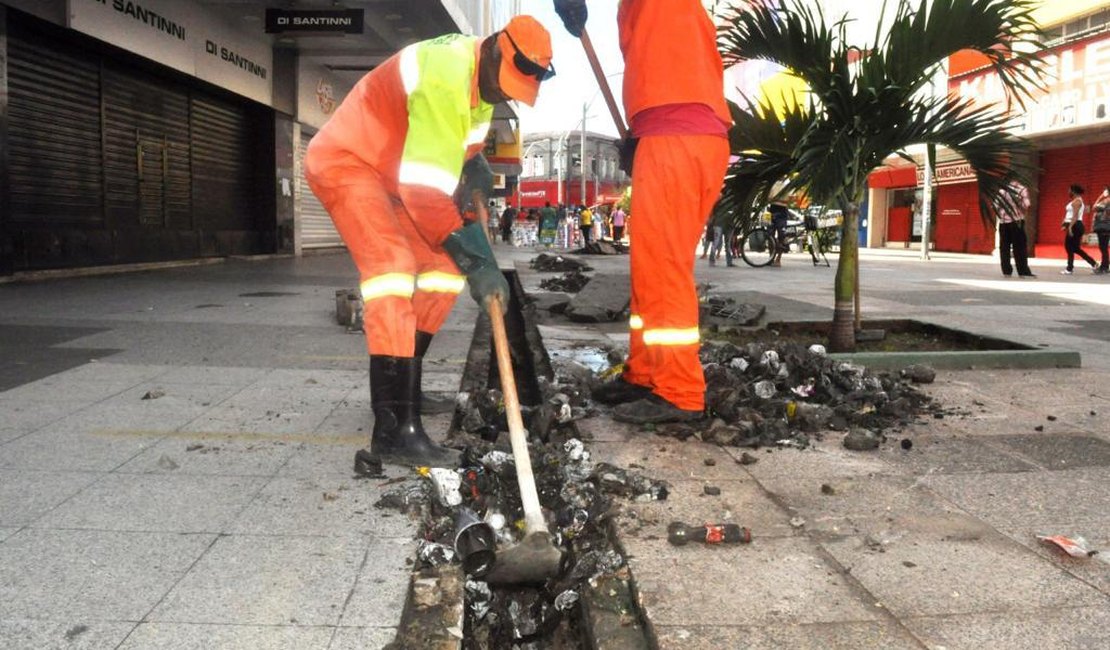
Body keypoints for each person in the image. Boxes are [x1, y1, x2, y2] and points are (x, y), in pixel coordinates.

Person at [305, 16, 554, 468]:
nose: (504, 95)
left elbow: (459, 160)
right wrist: (480, 262)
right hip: (350, 162)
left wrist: (473, 170)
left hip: (394, 175)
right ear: (496, 49)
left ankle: (405, 387)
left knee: (442, 268)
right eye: (506, 85)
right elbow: (424, 192)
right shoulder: (446, 74)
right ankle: (394, 431)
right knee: (392, 269)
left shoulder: (480, 89)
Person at [555, 0, 731, 423]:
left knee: (664, 268)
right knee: (651, 266)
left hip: (678, 135)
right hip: (670, 132)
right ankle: (647, 372)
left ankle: (679, 390)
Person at [997, 183, 1035, 278]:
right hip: (1017, 221)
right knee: (1019, 247)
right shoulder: (1021, 189)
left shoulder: (1001, 190)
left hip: (1003, 223)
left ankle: (1006, 271)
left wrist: (1002, 215)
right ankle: (1022, 271)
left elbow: (995, 206)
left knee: (1004, 248)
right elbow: (1026, 205)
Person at [1061, 183, 1097, 274]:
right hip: (1074, 225)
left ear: (1073, 191)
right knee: (1075, 248)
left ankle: (1069, 268)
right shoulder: (1075, 200)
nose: (1068, 191)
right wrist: (1064, 223)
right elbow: (1069, 215)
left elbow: (1075, 216)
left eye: (1069, 190)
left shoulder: (1077, 201)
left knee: (1069, 246)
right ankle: (1093, 263)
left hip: (1075, 225)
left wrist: (1070, 227)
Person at [1092, 186, 1110, 274]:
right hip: (1106, 226)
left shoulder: (1107, 200)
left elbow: (1094, 207)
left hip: (1104, 226)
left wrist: (1100, 197)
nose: (1103, 192)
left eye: (1105, 190)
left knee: (1103, 247)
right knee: (1104, 247)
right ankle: (1105, 266)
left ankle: (1104, 267)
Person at [768, 203, 790, 267]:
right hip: (772, 211)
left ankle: (778, 259)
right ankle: (771, 258)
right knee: (770, 235)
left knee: (781, 236)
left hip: (782, 213)